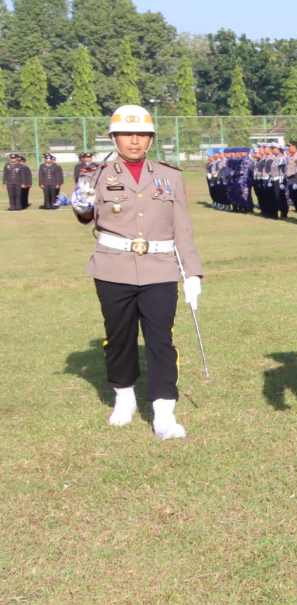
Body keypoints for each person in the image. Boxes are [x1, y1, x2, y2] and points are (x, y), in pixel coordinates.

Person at [69, 105, 204, 440]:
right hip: (113, 268)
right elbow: (85, 217)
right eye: (126, 134)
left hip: (160, 269)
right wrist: (80, 201)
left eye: (142, 134)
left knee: (161, 339)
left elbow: (182, 228)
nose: (134, 140)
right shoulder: (97, 175)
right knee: (120, 337)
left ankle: (164, 411)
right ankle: (124, 396)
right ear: (114, 138)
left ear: (151, 139)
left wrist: (192, 273)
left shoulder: (170, 176)